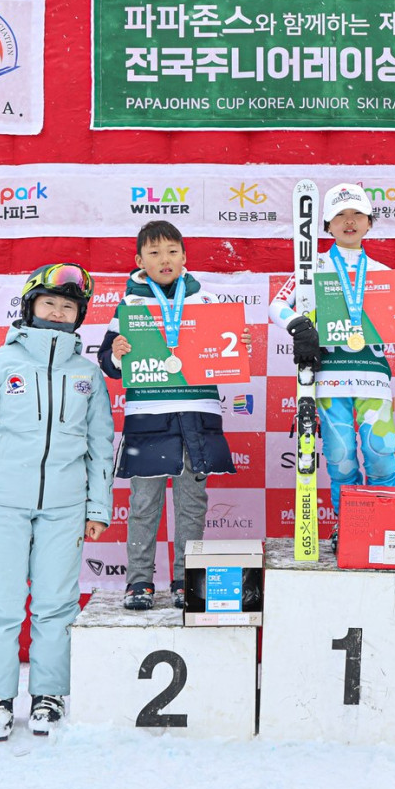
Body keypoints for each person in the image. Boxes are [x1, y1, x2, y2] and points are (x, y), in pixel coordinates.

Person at [0, 262, 114, 741]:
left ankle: (49, 694)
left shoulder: (88, 375)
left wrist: (97, 507)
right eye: (49, 303)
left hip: (65, 508)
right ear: (30, 306)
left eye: (68, 306)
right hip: (1, 505)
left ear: (79, 315)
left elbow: (100, 446)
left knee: (56, 606)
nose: (58, 312)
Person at [270, 183, 395, 553]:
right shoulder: (312, 268)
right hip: (329, 378)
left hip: (372, 377)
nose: (349, 221)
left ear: (370, 223)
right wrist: (298, 325)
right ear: (327, 225)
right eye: (340, 215)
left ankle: (385, 526)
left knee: (381, 453)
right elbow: (276, 305)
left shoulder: (384, 273)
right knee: (340, 459)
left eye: (357, 214)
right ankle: (349, 526)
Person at [98, 220, 248, 610]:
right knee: (144, 504)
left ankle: (187, 579)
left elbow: (226, 355)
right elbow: (107, 364)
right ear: (139, 261)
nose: (164, 259)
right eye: (154, 253)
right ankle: (139, 582)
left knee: (192, 502)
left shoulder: (208, 301)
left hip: (196, 416)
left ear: (184, 256)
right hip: (148, 419)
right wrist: (117, 352)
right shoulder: (129, 306)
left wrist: (238, 345)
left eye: (172, 251)